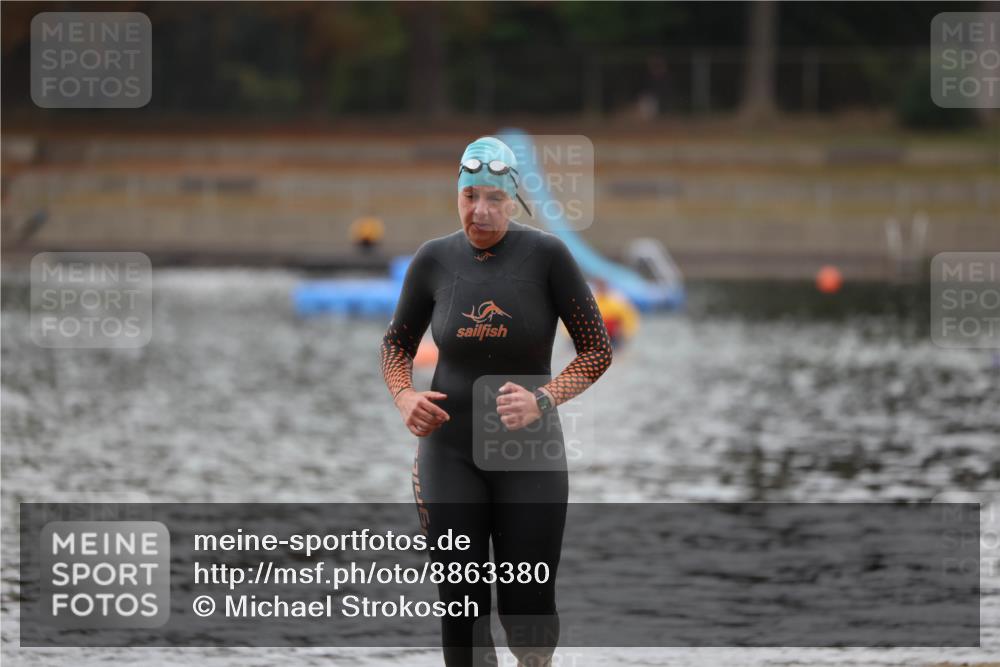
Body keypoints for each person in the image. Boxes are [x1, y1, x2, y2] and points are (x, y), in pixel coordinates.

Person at [379, 136, 612, 667]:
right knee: (461, 608)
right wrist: (403, 395)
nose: (480, 211)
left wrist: (543, 400)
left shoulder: (547, 257)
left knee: (528, 611)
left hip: (527, 454)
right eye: (470, 197)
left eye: (494, 199)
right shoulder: (433, 260)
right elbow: (395, 346)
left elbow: (597, 351)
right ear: (457, 195)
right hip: (448, 453)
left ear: (514, 201)